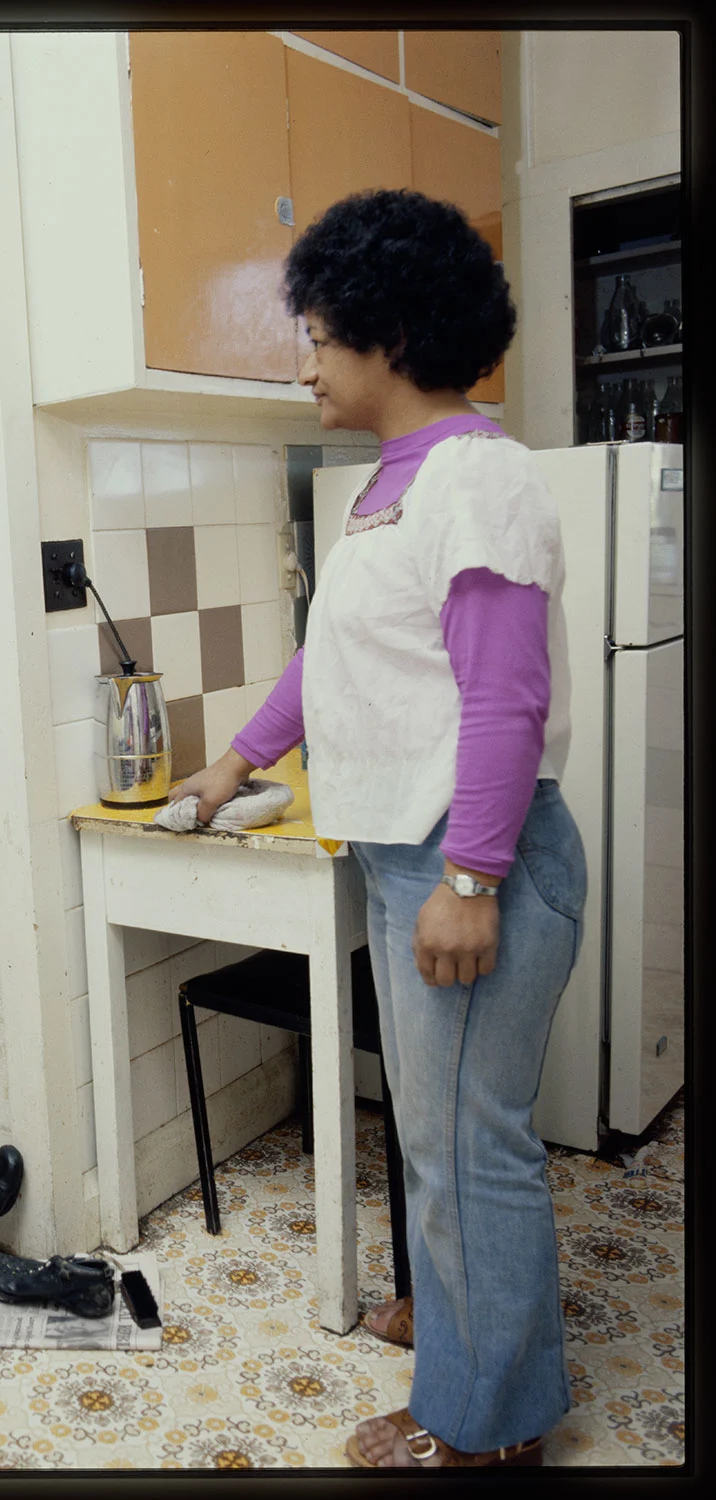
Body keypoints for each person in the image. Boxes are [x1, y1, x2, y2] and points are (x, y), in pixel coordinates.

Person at [174, 189, 585, 1468]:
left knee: (474, 1151)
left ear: (389, 336)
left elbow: (507, 696)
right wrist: (231, 762)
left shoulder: (478, 478)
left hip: (474, 861)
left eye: (317, 333)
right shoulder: (390, 487)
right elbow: (331, 661)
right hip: (418, 856)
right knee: (443, 1138)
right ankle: (471, 1333)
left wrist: (472, 875)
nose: (304, 361)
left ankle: (483, 1426)